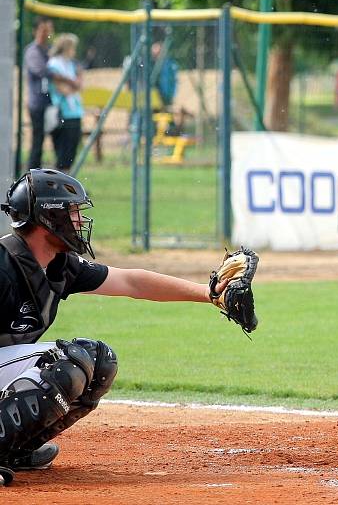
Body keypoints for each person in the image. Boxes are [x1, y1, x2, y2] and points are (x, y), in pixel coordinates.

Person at [0, 169, 253, 486]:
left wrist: (208, 293)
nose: (79, 221)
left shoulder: (59, 266)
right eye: (72, 211)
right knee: (67, 364)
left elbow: (132, 282)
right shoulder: (4, 267)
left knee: (100, 361)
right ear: (48, 216)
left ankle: (13, 449)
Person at [22, 18, 79, 170]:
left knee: (60, 143)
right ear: (36, 31)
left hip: (52, 104)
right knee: (38, 142)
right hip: (38, 105)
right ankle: (32, 176)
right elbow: (43, 71)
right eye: (43, 30)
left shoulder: (48, 52)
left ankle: (59, 178)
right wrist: (66, 79)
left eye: (48, 30)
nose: (46, 34)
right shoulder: (33, 51)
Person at [46, 34, 85, 171]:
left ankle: (67, 184)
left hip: (74, 112)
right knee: (63, 153)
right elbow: (63, 89)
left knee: (71, 153)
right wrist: (73, 85)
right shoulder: (54, 65)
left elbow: (79, 85)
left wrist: (74, 85)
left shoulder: (71, 65)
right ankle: (59, 184)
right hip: (63, 113)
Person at [151, 41, 179, 111]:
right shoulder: (149, 65)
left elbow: (171, 84)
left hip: (163, 98)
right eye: (154, 54)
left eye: (158, 53)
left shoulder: (168, 66)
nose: (156, 56)